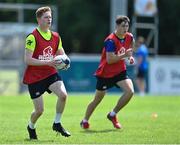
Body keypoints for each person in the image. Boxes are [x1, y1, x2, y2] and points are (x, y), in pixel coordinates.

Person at [23, 6, 71, 139]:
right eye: (46, 17)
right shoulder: (32, 37)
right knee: (39, 111)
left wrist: (66, 60)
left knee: (63, 95)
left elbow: (62, 53)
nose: (49, 19)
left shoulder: (56, 36)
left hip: (50, 73)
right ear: (39, 19)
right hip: (35, 77)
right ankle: (31, 126)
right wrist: (48, 62)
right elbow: (28, 60)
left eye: (50, 17)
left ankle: (57, 123)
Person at [80, 15, 135, 129]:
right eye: (123, 26)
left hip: (120, 71)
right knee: (97, 100)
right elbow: (110, 60)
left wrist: (130, 57)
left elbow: (130, 48)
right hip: (106, 73)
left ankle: (112, 114)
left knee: (130, 91)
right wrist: (125, 55)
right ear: (117, 26)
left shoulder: (129, 37)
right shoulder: (110, 40)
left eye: (127, 26)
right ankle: (85, 120)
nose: (125, 28)